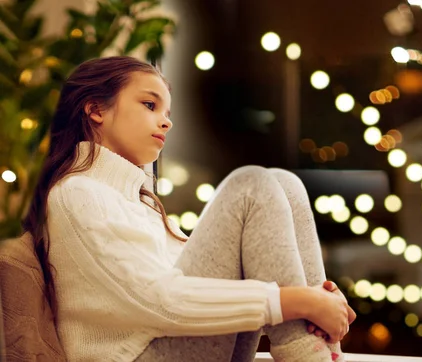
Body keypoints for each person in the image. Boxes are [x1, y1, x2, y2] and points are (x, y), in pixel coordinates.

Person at [22, 56, 356, 362]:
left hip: (171, 344)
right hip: (134, 356)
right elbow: (159, 302)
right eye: (150, 105)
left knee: (285, 183)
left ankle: (321, 348)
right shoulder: (77, 193)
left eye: (167, 113)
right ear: (96, 109)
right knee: (251, 186)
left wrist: (314, 301)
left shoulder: (138, 202)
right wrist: (299, 301)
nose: (166, 122)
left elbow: (206, 291)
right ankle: (309, 353)